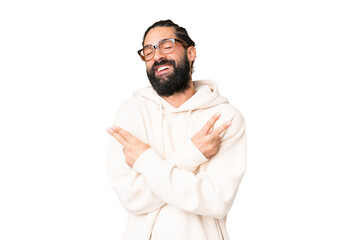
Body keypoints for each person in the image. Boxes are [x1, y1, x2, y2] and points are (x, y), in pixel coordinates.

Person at [106, 19, 246, 240]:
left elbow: (216, 201)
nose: (157, 55)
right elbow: (133, 198)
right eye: (148, 51)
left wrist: (145, 161)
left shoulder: (225, 118)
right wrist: (193, 155)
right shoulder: (131, 113)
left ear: (191, 53)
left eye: (167, 45)